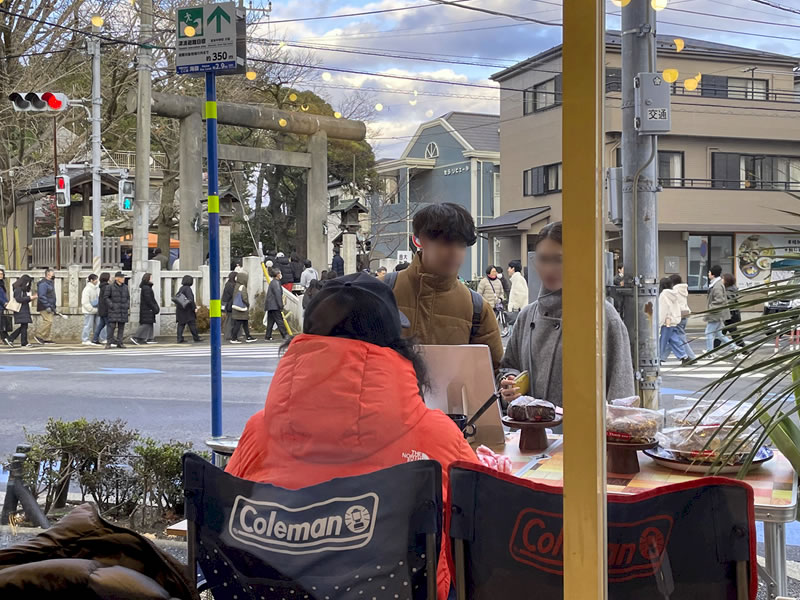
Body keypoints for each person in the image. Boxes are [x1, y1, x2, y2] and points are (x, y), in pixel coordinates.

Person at [225, 273, 479, 600]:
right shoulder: (435, 436)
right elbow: (482, 535)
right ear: (393, 344)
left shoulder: (258, 432)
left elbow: (224, 529)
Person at [499, 222, 635, 406]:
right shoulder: (527, 315)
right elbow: (509, 365)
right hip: (531, 433)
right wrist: (510, 381)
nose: (548, 268)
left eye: (558, 260)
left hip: (584, 434)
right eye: (542, 259)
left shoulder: (602, 316)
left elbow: (621, 395)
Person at [389, 203, 503, 369]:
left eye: (462, 245)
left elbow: (494, 370)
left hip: (453, 395)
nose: (455, 252)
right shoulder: (384, 291)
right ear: (421, 240)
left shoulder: (476, 307)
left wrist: (507, 379)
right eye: (446, 243)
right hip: (391, 394)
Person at [658, 277, 689, 365]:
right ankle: (683, 356)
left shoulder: (663, 295)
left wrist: (659, 322)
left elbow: (663, 309)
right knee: (674, 339)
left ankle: (658, 357)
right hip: (674, 320)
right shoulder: (674, 293)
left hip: (666, 321)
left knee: (663, 340)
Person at [669, 274, 697, 361]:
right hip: (684, 314)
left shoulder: (674, 291)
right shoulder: (683, 290)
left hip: (678, 315)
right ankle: (661, 357)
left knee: (678, 337)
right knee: (672, 337)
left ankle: (691, 357)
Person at [705, 265, 732, 353]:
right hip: (718, 312)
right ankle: (734, 347)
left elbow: (719, 300)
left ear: (713, 274)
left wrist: (711, 309)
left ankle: (710, 352)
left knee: (708, 333)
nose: (708, 274)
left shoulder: (717, 285)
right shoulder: (716, 284)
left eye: (709, 272)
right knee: (719, 334)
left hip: (716, 313)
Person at [6, 274, 36, 348]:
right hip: (20, 310)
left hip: (23, 309)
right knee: (24, 326)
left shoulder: (21, 289)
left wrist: (30, 298)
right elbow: (18, 299)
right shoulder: (18, 289)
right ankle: (16, 340)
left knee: (24, 326)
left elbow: (23, 299)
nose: (28, 284)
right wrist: (29, 298)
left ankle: (14, 339)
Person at [130, 273, 160, 345]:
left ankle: (149, 338)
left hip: (148, 308)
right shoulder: (146, 288)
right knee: (146, 324)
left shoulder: (147, 287)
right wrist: (154, 307)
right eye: (151, 277)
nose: (152, 279)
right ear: (148, 279)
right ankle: (136, 337)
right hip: (147, 309)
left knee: (150, 323)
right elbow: (148, 300)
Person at [105, 271, 130, 349]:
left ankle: (120, 342)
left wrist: (127, 305)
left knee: (121, 327)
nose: (123, 279)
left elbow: (128, 298)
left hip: (123, 309)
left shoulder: (125, 287)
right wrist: (111, 305)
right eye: (121, 277)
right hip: (113, 310)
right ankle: (109, 342)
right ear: (116, 278)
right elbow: (106, 297)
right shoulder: (110, 287)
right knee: (111, 327)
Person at [230, 271, 256, 344]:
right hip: (242, 309)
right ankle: (234, 338)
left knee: (244, 323)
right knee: (238, 324)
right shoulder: (242, 287)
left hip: (237, 307)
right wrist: (247, 304)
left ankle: (248, 336)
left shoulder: (236, 286)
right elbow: (244, 298)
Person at [721, 272, 746, 349]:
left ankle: (743, 349)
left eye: (723, 279)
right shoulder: (731, 289)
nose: (721, 280)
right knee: (722, 333)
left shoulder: (729, 291)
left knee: (732, 334)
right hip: (731, 315)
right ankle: (711, 350)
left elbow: (729, 303)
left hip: (730, 315)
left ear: (726, 281)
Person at [175, 274, 202, 343]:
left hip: (180, 309)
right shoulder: (188, 289)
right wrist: (194, 308)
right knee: (192, 324)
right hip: (187, 310)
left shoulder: (181, 288)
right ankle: (196, 337)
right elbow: (191, 300)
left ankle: (179, 338)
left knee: (181, 324)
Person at [264, 268, 288, 341]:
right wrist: (280, 305)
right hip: (275, 305)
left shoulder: (272, 282)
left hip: (270, 305)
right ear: (277, 274)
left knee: (270, 321)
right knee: (279, 321)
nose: (281, 275)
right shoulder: (276, 283)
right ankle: (285, 335)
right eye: (280, 273)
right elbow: (278, 295)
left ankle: (268, 335)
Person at [35, 268, 56, 344]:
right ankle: (39, 335)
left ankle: (47, 337)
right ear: (48, 274)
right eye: (52, 274)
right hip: (44, 305)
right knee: (48, 321)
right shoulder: (43, 284)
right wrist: (47, 305)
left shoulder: (50, 283)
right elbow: (41, 296)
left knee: (49, 321)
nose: (54, 275)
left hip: (50, 305)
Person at [80, 274, 100, 346]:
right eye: (96, 279)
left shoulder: (96, 288)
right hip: (88, 311)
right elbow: (85, 302)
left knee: (97, 325)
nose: (97, 281)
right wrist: (91, 309)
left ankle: (96, 338)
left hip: (95, 309)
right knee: (87, 325)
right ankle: (85, 339)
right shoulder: (87, 289)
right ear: (91, 280)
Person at [92, 273, 111, 345]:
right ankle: (110, 339)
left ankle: (95, 339)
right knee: (109, 325)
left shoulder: (101, 287)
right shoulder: (107, 287)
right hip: (106, 309)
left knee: (100, 325)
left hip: (101, 309)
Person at [221, 271, 238, 341]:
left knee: (231, 320)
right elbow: (233, 294)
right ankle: (228, 335)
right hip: (230, 305)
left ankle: (231, 334)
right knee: (230, 321)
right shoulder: (230, 285)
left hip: (229, 305)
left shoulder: (228, 284)